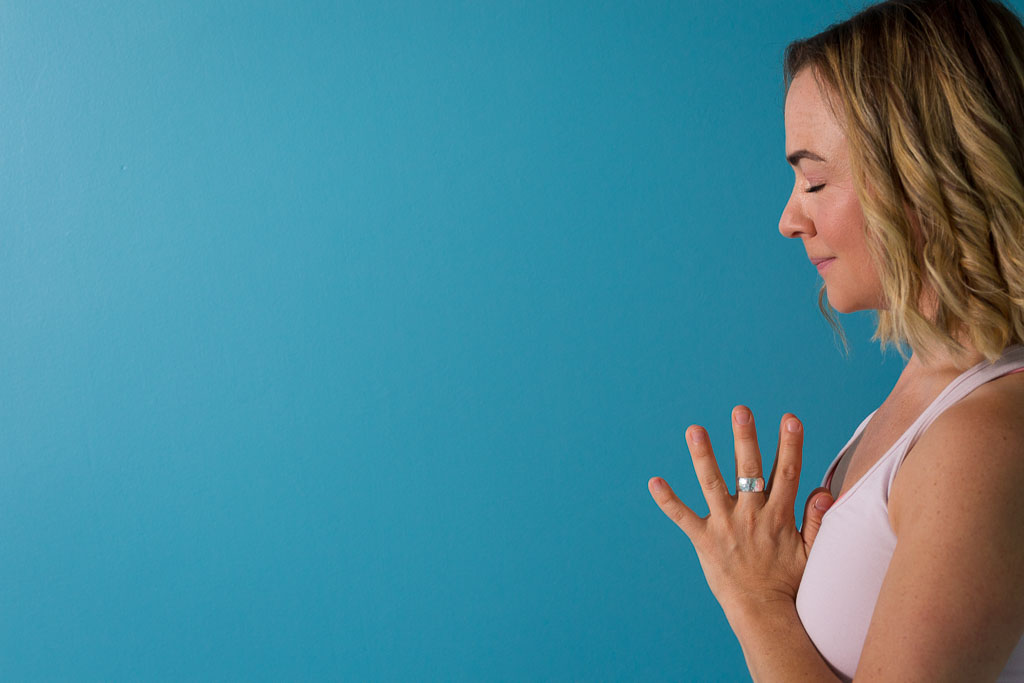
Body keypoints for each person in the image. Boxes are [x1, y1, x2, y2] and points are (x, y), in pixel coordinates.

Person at [647, 0, 1024, 680]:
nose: (790, 219)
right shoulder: (928, 389)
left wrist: (756, 599)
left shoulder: (981, 440)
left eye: (814, 179)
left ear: (925, 177)